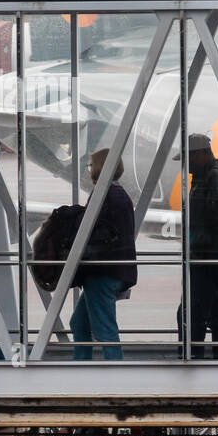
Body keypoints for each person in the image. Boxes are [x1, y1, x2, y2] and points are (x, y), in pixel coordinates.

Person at [176, 133, 218, 359]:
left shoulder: (215, 181)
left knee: (190, 314)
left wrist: (198, 246)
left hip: (209, 261)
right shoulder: (209, 178)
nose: (187, 164)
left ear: (202, 154)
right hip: (214, 261)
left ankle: (191, 359)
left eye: (189, 158)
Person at [70, 148, 138, 361]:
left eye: (91, 165)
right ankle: (81, 364)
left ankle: (115, 374)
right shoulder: (119, 193)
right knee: (79, 323)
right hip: (113, 270)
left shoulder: (104, 195)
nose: (89, 169)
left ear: (99, 167)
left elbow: (89, 229)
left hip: (103, 272)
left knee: (104, 328)